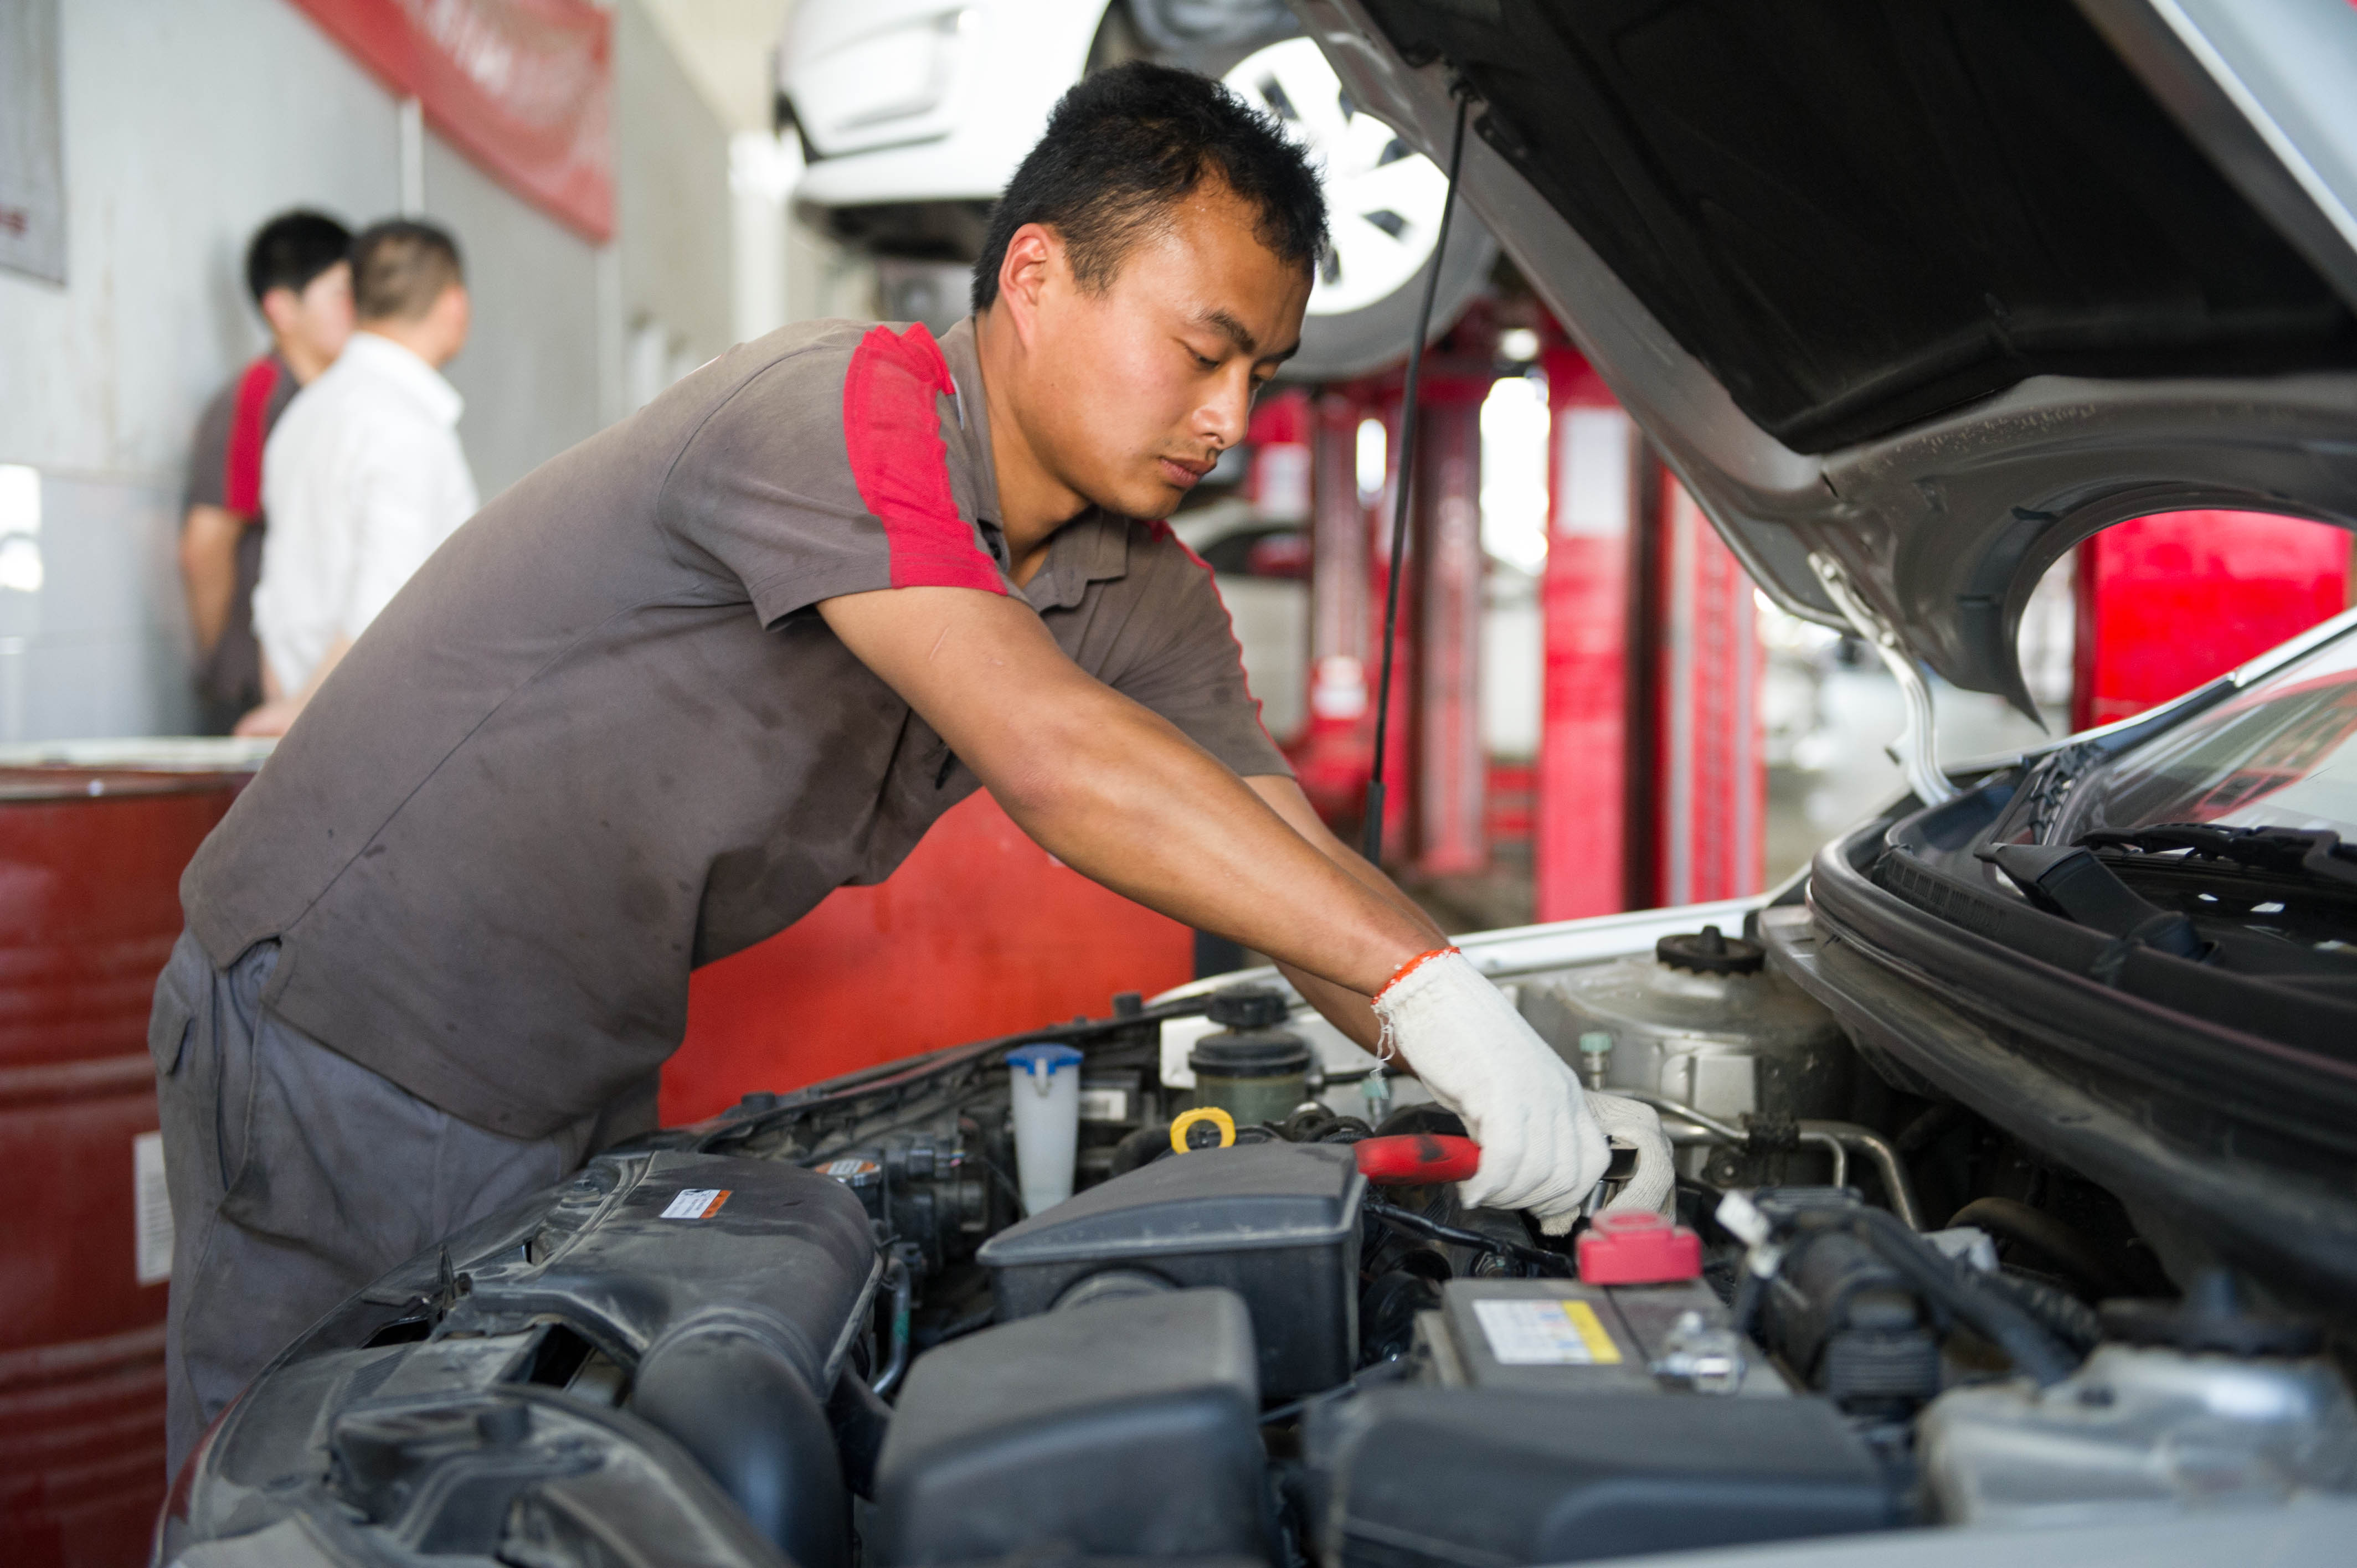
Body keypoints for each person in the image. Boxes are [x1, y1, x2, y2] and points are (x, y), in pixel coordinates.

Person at [150, 64, 1668, 1472]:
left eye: (1261, 371)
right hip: (351, 1015)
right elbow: (1057, 760)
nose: (1231, 418)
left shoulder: (1142, 592)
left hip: (574, 1048)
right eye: (1204, 352)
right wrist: (1428, 992)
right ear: (1034, 277)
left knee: (519, 1471)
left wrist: (1516, 1067)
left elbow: (1293, 874)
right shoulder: (845, 407)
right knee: (317, 1486)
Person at [236, 219, 476, 736]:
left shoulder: (302, 415)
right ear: (454, 305)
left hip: (302, 728)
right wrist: (307, 715)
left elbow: (275, 598)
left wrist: (285, 708)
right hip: (375, 736)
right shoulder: (409, 425)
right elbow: (387, 603)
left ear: (352, 303)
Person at [179, 212, 353, 734]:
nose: (359, 310)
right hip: (257, 689)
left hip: (316, 680)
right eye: (342, 292)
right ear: (282, 309)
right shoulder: (258, 397)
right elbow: (204, 546)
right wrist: (229, 665)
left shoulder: (337, 403)